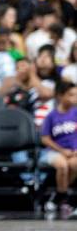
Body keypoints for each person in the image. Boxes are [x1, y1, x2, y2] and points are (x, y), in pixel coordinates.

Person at [39, 82, 77, 218]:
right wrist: (61, 150)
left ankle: (58, 196)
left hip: (73, 151)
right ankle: (64, 198)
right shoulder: (51, 116)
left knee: (74, 164)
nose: (75, 98)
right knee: (62, 165)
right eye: (71, 95)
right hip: (55, 151)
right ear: (60, 96)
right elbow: (45, 138)